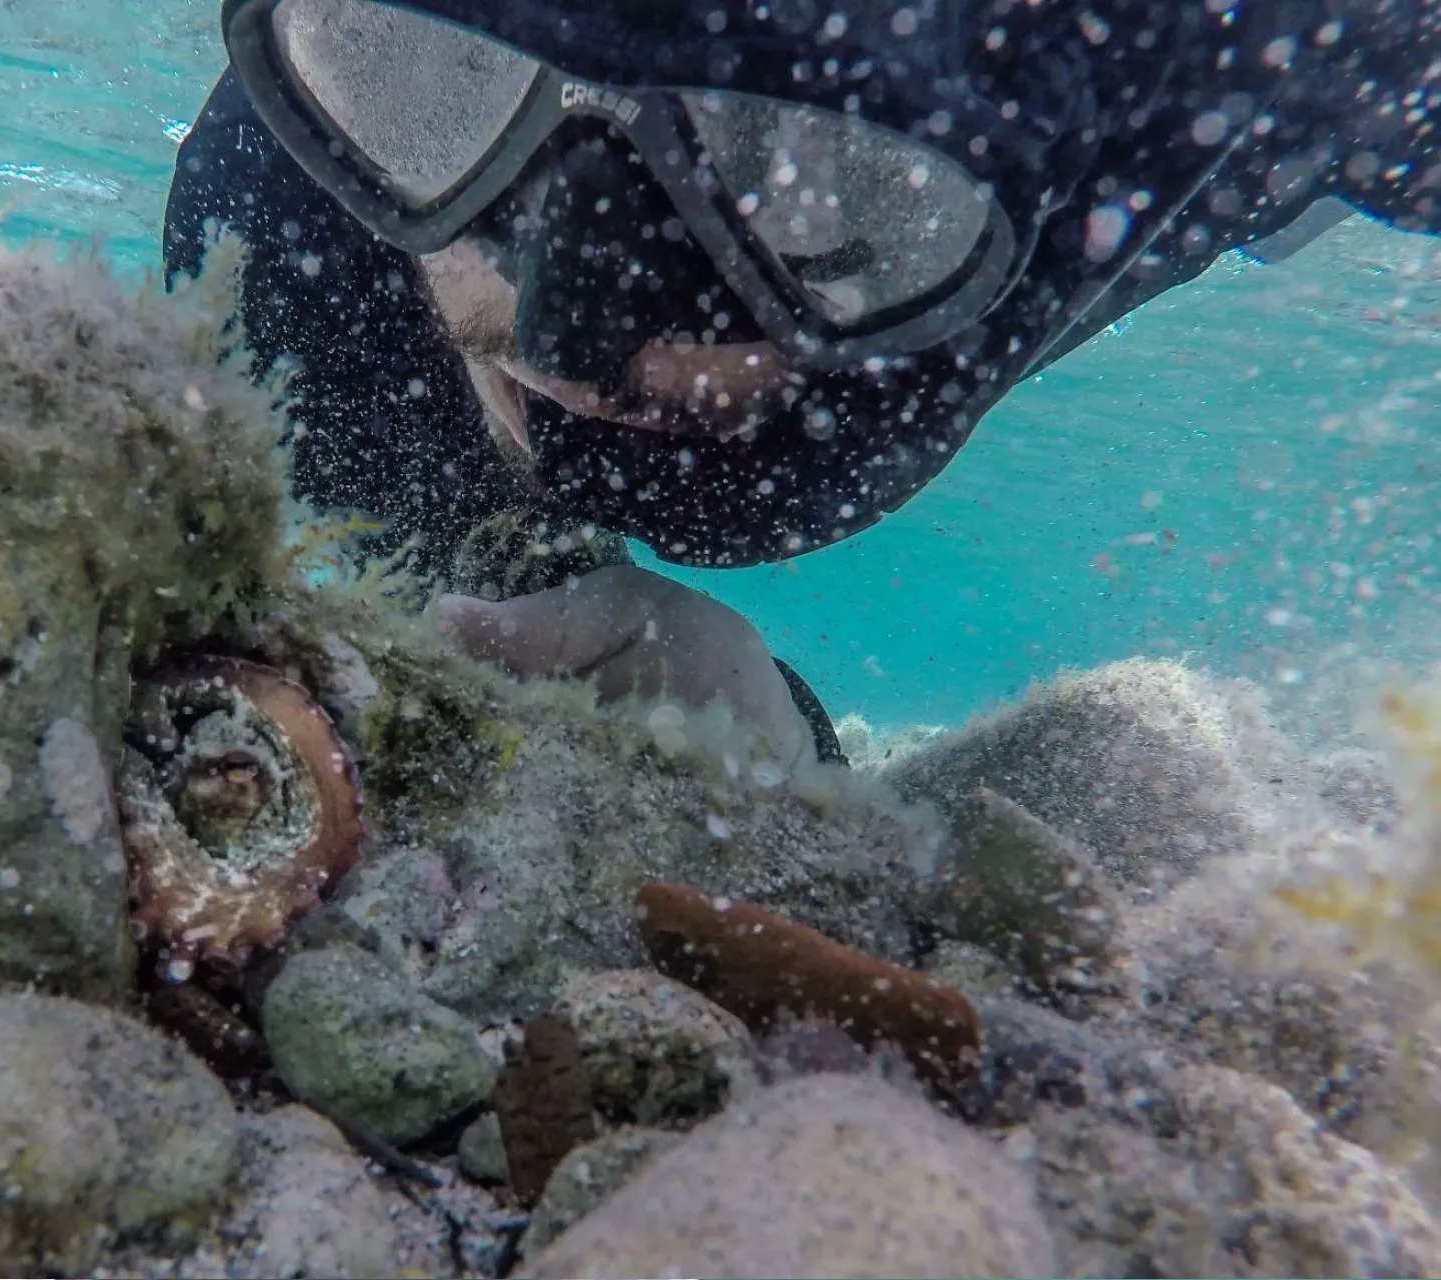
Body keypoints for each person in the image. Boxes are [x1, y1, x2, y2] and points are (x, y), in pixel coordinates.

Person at [163, 0, 1440, 766]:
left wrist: (787, 777)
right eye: (453, 63)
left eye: (806, 166)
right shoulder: (302, 229)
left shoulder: (1274, 61)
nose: (561, 345)